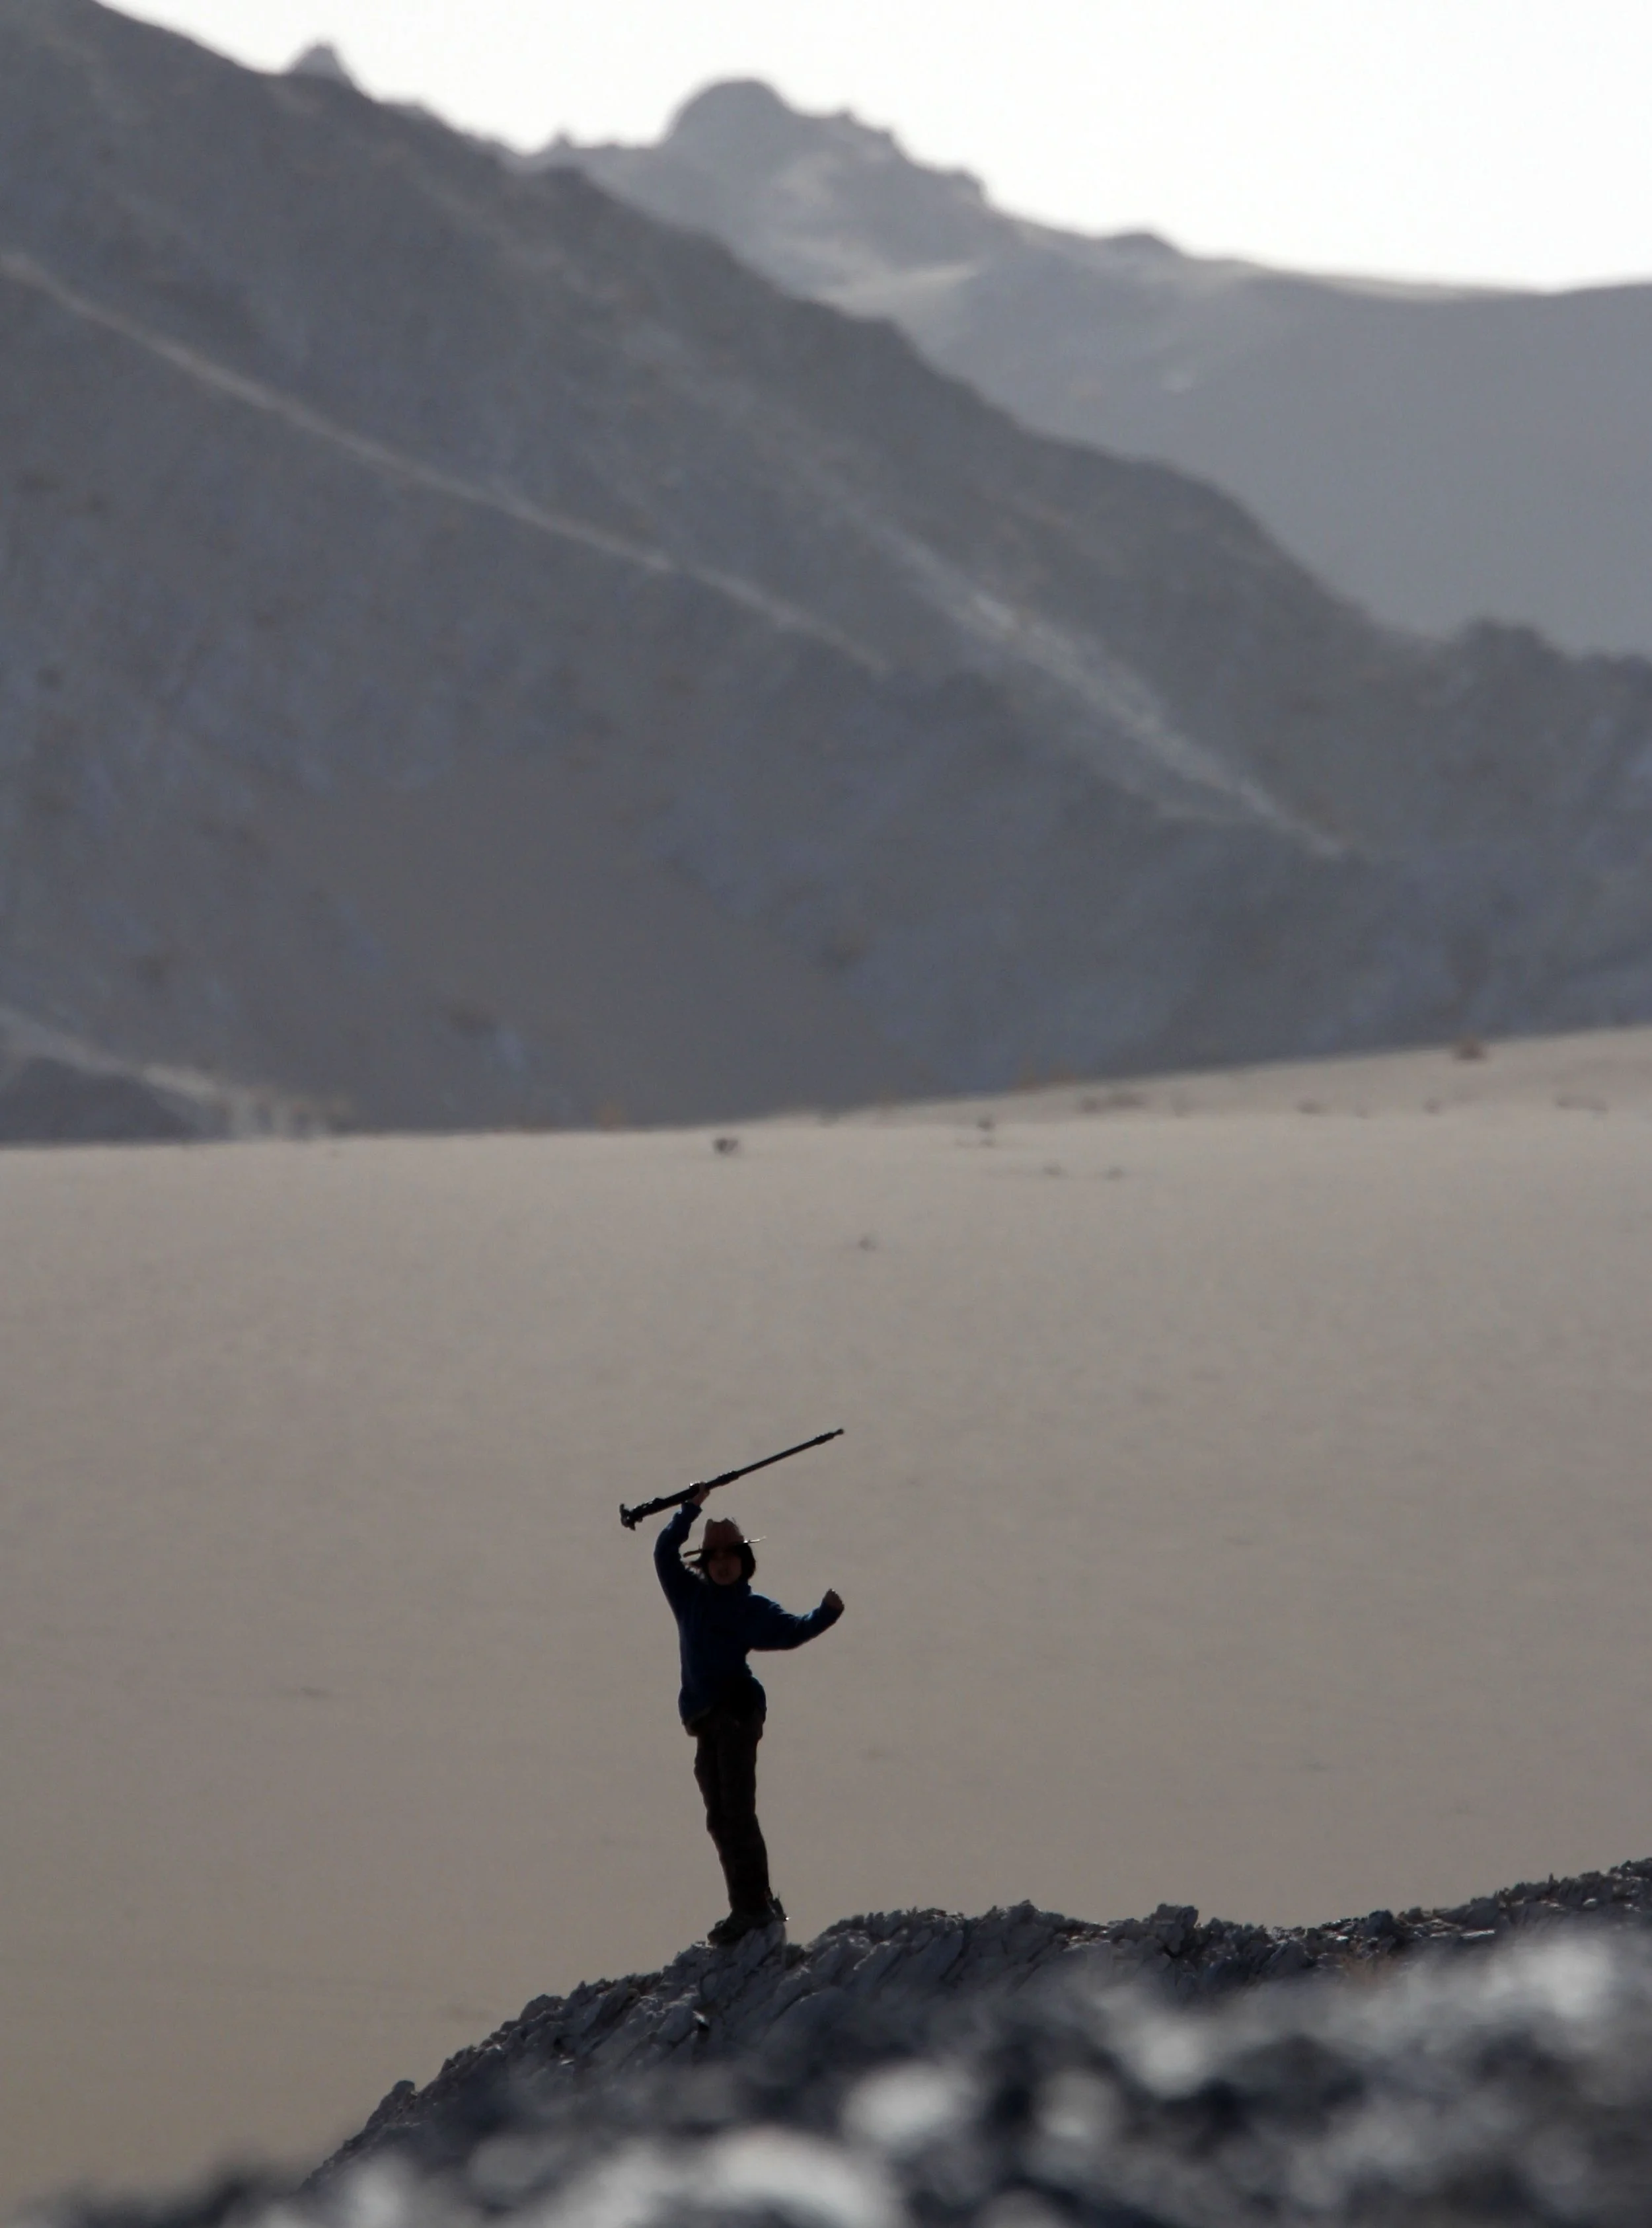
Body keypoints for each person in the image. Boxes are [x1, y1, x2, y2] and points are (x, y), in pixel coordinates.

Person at [654, 1483, 843, 1945]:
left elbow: (793, 1631)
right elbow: (664, 1553)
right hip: (705, 1720)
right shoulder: (689, 1596)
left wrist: (826, 1613)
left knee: (736, 1811)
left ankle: (753, 1908)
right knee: (720, 1817)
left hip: (737, 1712)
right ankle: (749, 1904)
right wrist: (690, 1509)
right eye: (715, 1555)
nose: (722, 1562)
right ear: (705, 1562)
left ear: (744, 1562)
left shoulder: (749, 1607)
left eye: (731, 1555)